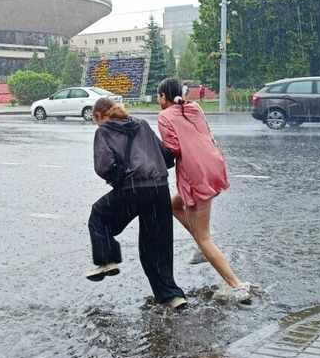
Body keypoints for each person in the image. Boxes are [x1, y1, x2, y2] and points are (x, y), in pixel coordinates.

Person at [157, 78, 256, 304]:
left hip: (196, 173)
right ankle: (203, 247)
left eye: (158, 95)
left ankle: (236, 285)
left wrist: (154, 152)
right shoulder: (195, 107)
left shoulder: (165, 116)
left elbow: (173, 149)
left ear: (163, 96)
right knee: (173, 205)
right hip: (213, 165)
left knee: (204, 237)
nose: (157, 99)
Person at [86, 97, 188, 310]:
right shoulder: (142, 124)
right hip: (159, 188)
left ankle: (107, 260)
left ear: (99, 116)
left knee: (99, 215)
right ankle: (172, 297)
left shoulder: (103, 131)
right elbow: (166, 156)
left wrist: (118, 178)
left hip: (132, 189)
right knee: (157, 245)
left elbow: (103, 166)